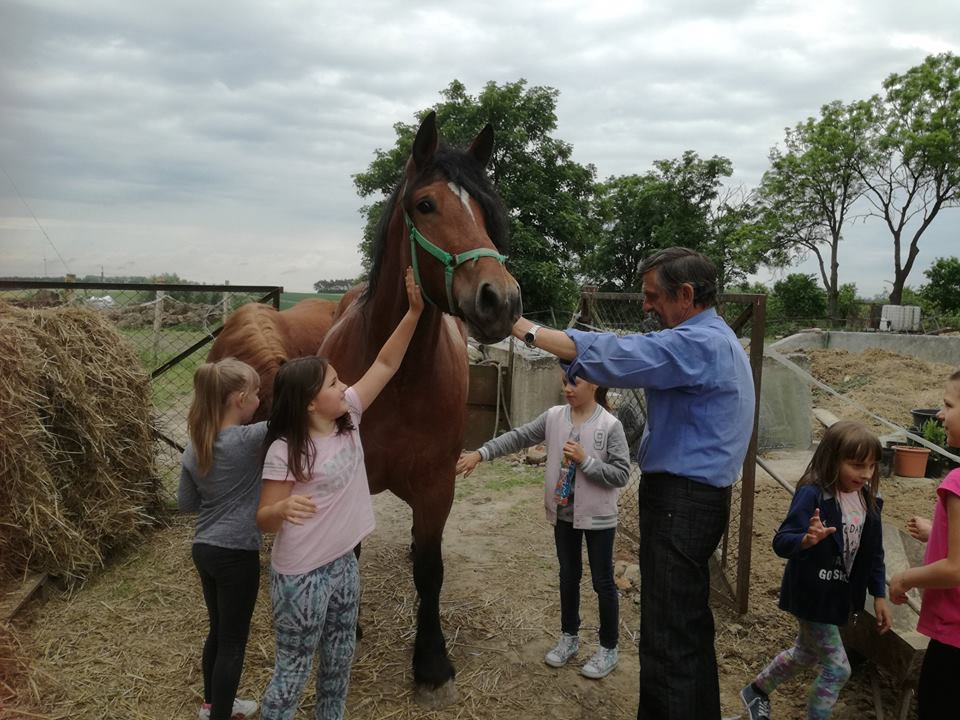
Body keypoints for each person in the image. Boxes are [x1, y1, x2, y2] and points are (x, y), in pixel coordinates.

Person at [509, 246, 755, 719]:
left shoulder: (697, 343)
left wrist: (525, 328)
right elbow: (623, 352)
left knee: (666, 637)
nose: (646, 306)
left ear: (686, 295)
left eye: (652, 295)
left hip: (681, 503)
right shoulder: (716, 339)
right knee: (687, 626)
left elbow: (621, 354)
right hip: (698, 500)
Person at [255, 267, 423, 720]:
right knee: (293, 671)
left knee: (339, 657)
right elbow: (265, 517)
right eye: (332, 383)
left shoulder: (349, 415)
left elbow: (386, 364)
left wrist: (414, 311)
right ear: (310, 402)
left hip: (344, 562)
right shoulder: (287, 451)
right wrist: (282, 508)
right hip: (302, 576)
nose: (344, 386)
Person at [457, 366, 630, 678]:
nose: (567, 388)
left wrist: (586, 461)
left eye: (574, 382)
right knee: (568, 575)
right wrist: (482, 453)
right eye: (565, 381)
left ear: (594, 384)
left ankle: (608, 648)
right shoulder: (554, 417)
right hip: (564, 515)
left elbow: (621, 473)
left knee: (602, 582)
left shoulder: (610, 425)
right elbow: (519, 436)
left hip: (599, 519)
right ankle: (569, 638)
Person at [740, 420, 892, 720]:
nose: (866, 474)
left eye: (872, 466)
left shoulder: (868, 501)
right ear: (832, 459)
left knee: (805, 653)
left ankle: (756, 689)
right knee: (838, 668)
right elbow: (782, 541)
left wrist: (878, 594)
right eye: (857, 465)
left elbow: (874, 553)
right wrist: (806, 540)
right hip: (811, 595)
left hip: (837, 597)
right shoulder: (813, 495)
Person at [179, 357, 266, 720]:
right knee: (233, 642)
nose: (262, 399)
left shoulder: (195, 444)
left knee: (218, 632)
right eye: (258, 392)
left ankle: (212, 704)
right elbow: (296, 422)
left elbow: (186, 504)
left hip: (205, 549)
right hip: (237, 554)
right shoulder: (250, 438)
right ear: (241, 398)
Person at [890, 369, 960, 720]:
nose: (939, 414)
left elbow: (956, 570)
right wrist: (938, 534)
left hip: (954, 639)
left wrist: (907, 578)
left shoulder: (957, 482)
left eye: (948, 404)